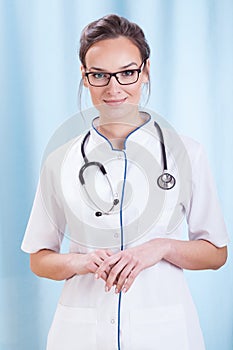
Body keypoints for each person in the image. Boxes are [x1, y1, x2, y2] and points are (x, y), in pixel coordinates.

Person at [21, 14, 229, 350]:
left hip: (164, 333)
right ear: (85, 78)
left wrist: (161, 248)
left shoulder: (187, 153)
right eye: (99, 75)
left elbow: (216, 253)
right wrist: (82, 262)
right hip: (81, 335)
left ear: (146, 71)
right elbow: (39, 258)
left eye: (127, 72)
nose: (114, 88)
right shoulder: (60, 161)